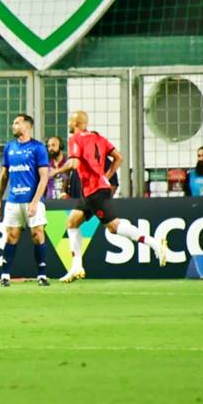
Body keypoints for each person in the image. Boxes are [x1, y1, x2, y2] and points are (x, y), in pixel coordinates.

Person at [50, 111, 168, 283]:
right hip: (94, 189)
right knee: (72, 222)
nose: (68, 123)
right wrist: (107, 175)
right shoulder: (99, 138)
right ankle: (76, 266)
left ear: (76, 122)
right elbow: (118, 158)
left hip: (94, 191)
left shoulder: (76, 139)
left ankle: (155, 244)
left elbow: (74, 163)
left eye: (70, 120)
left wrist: (56, 171)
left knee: (114, 227)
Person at [0, 114, 51, 287]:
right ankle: (5, 276)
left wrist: (35, 202)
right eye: (13, 123)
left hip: (32, 200)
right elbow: (4, 176)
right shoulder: (9, 147)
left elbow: (44, 177)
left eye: (17, 123)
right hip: (13, 201)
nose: (13, 126)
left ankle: (41, 275)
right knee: (11, 237)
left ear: (27, 126)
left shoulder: (38, 148)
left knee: (37, 234)